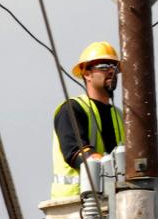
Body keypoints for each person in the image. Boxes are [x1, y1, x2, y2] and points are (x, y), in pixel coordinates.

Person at [51, 41, 125, 198]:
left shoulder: (120, 116)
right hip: (73, 206)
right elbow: (78, 154)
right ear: (86, 73)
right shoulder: (72, 109)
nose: (111, 71)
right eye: (104, 66)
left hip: (111, 201)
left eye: (115, 67)